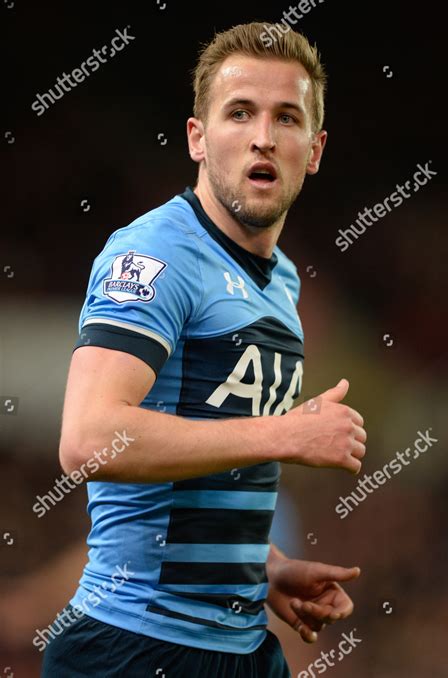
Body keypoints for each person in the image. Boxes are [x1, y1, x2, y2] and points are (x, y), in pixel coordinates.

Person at [41, 21, 367, 677]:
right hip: (130, 648)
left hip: (245, 648)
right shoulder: (155, 254)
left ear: (316, 148)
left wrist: (262, 570)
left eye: (287, 117)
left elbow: (204, 469)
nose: (262, 136)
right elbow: (87, 439)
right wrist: (282, 434)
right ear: (197, 137)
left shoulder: (282, 281)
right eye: (239, 112)